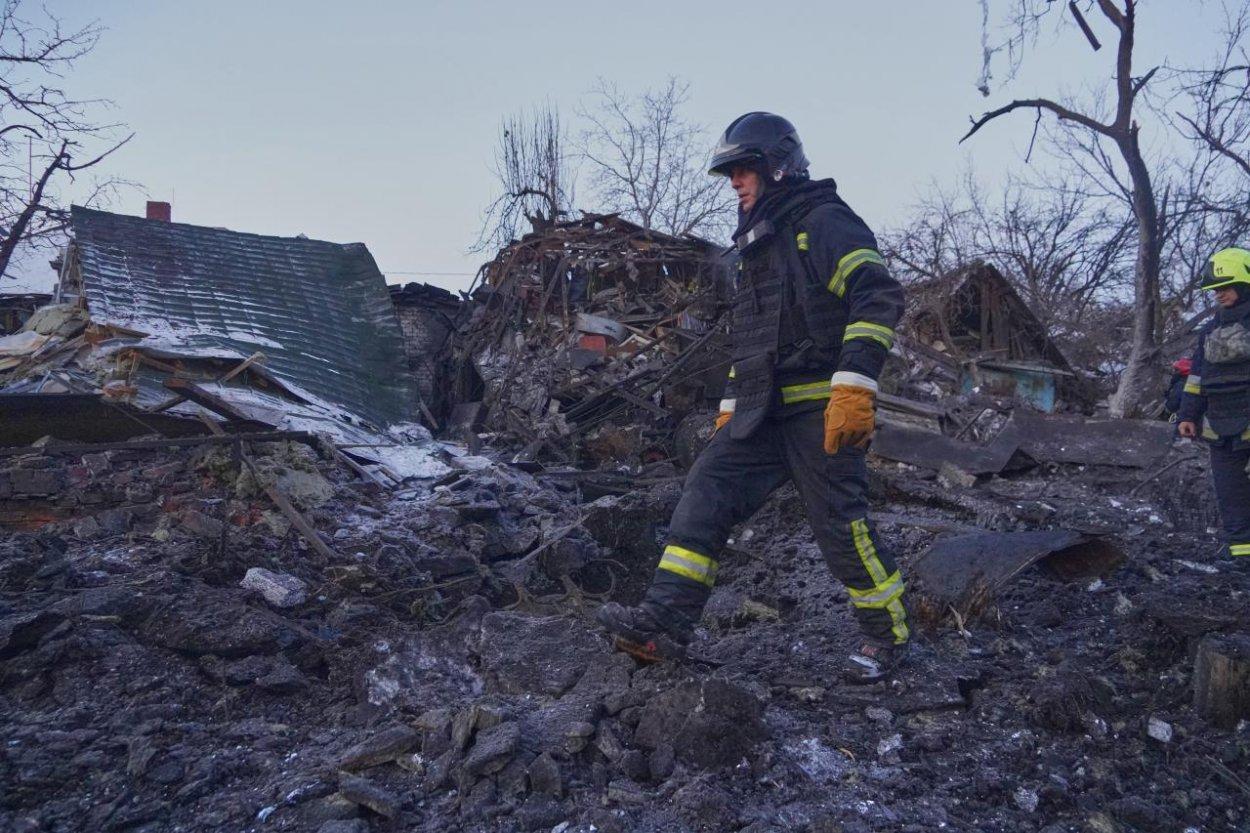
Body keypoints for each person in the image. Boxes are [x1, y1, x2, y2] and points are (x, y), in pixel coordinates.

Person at [596, 112, 910, 682]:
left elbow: (877, 295)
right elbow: (753, 337)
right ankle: (663, 627)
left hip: (822, 410)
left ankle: (888, 637)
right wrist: (728, 410)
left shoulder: (824, 221)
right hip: (760, 412)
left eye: (744, 170)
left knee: (840, 528)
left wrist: (856, 387)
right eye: (731, 173)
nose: (736, 182)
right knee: (704, 496)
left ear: (778, 168)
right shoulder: (758, 246)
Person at [1177, 247, 1250, 562]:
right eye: (1215, 290)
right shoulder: (1210, 330)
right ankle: (1241, 559)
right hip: (1218, 425)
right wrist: (1187, 414)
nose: (1219, 295)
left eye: (1226, 287)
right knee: (1230, 493)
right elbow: (1197, 377)